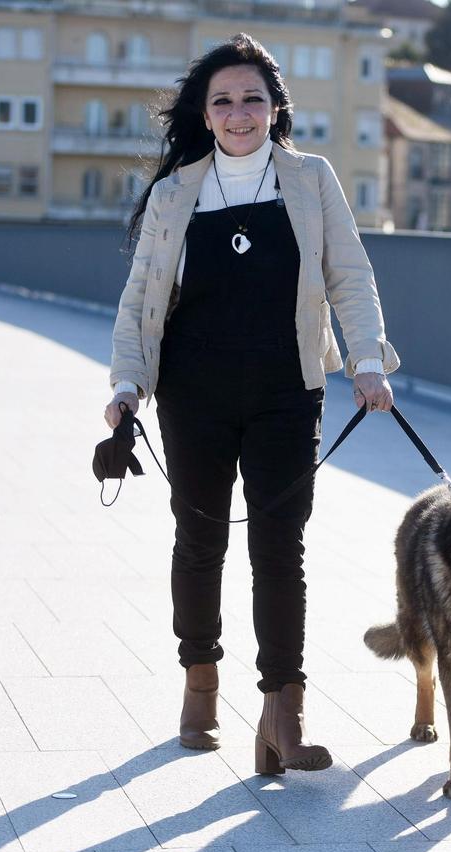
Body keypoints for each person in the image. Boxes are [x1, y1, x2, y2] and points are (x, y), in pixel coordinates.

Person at [105, 33, 399, 774]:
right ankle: (199, 682)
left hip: (285, 391)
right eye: (224, 101)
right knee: (200, 540)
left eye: (253, 99)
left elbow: (350, 274)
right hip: (192, 394)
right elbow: (142, 298)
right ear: (205, 115)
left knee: (280, 549)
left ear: (275, 109)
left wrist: (367, 360)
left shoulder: (311, 179)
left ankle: (282, 713)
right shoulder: (177, 193)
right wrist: (125, 386)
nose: (239, 113)